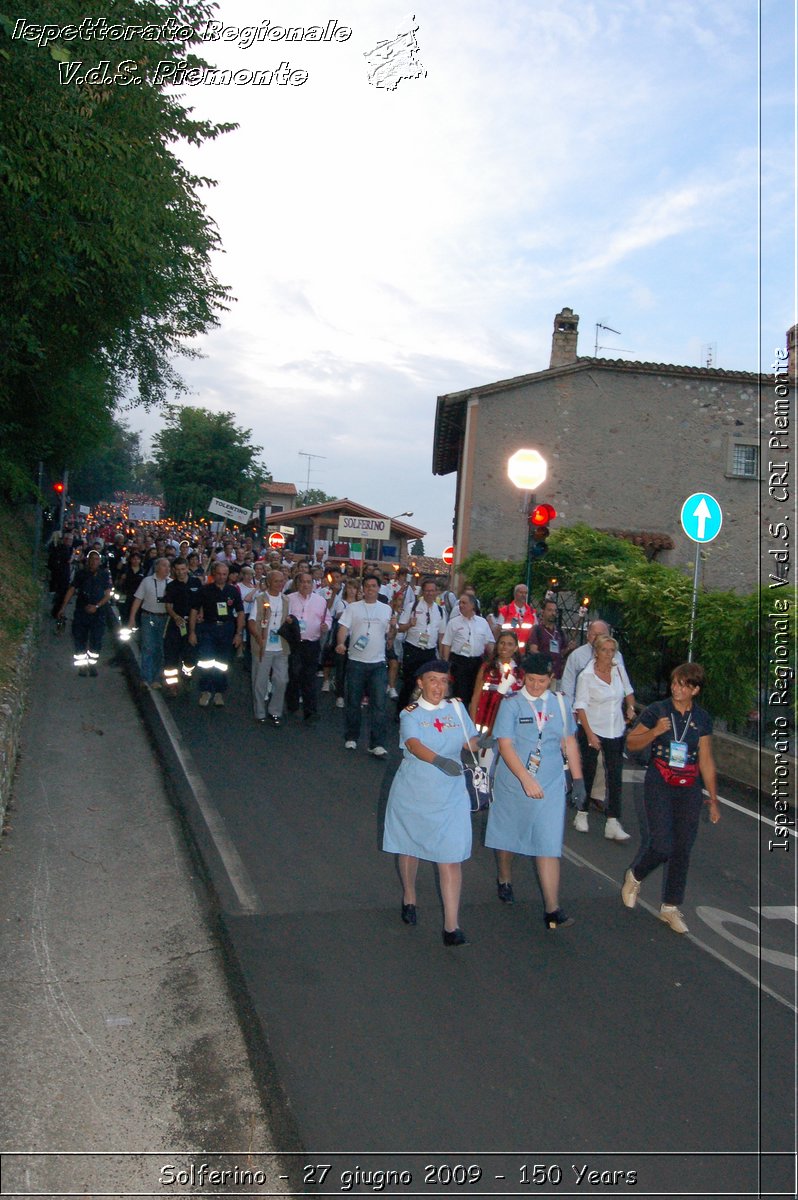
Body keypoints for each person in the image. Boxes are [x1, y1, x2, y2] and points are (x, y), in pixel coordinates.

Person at [382, 659, 479, 946]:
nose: (439, 686)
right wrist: (438, 761)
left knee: (450, 858)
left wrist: (484, 742)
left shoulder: (457, 708)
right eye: (433, 680)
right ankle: (409, 895)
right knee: (410, 848)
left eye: (443, 680)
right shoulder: (410, 714)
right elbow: (413, 745)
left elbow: (468, 741)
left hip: (450, 794)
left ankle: (452, 926)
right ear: (421, 683)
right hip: (415, 791)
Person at [485, 652, 586, 925]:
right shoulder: (512, 705)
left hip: (550, 782)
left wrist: (577, 780)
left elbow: (569, 742)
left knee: (548, 842)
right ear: (523, 678)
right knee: (508, 834)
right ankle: (504, 876)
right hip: (514, 781)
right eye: (530, 679)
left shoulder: (561, 705)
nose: (536, 685)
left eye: (541, 680)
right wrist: (525, 779)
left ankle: (552, 908)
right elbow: (505, 746)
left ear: (551, 679)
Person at [621, 662, 720, 934]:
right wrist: (654, 732)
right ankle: (636, 875)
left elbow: (707, 760)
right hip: (660, 780)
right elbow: (631, 742)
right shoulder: (658, 710)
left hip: (689, 784)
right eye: (675, 683)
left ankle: (671, 907)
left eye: (683, 685)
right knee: (662, 844)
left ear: (695, 689)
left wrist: (713, 798)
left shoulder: (702, 719)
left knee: (683, 847)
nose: (676, 688)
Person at [573, 634, 636, 840]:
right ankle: (582, 813)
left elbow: (628, 690)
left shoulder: (618, 669)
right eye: (604, 650)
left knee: (615, 775)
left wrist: (631, 707)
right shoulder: (586, 676)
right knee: (589, 771)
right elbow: (580, 706)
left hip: (615, 729)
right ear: (596, 652)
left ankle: (613, 821)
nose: (608, 654)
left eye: (612, 650)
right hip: (592, 727)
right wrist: (590, 735)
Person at [336, 572, 395, 756]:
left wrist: (393, 627)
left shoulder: (386, 609)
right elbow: (343, 628)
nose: (370, 589)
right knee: (353, 703)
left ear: (379, 588)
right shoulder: (353, 608)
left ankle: (376, 743)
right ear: (363, 588)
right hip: (356, 662)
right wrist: (340, 643)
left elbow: (389, 637)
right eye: (367, 586)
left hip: (377, 663)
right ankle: (352, 737)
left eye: (374, 586)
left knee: (379, 705)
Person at [188, 561, 245, 707]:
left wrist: (238, 633)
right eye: (219, 574)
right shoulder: (204, 590)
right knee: (206, 660)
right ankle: (206, 690)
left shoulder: (233, 591)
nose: (221, 577)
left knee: (222, 662)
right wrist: (192, 632)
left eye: (224, 574)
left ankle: (219, 692)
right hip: (208, 628)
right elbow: (194, 611)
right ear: (214, 574)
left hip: (226, 629)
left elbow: (240, 612)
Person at [57, 549, 113, 676]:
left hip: (98, 613)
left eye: (96, 559)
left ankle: (92, 665)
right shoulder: (81, 574)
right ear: (88, 560)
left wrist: (97, 606)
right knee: (79, 638)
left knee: (96, 640)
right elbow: (72, 590)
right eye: (92, 559)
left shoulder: (104, 575)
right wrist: (63, 607)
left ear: (100, 561)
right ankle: (82, 666)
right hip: (82, 612)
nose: (94, 561)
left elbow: (108, 594)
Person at [396, 576, 447, 711]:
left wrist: (442, 655)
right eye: (427, 591)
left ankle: (421, 711)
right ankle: (401, 711)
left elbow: (441, 634)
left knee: (428, 684)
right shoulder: (412, 606)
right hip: (413, 649)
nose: (430, 593)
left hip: (429, 652)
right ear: (423, 592)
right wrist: (409, 624)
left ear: (437, 592)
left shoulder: (440, 610)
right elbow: (400, 627)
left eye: (432, 591)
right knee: (409, 682)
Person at [285, 571, 330, 721]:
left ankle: (310, 711)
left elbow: (327, 618)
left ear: (313, 584)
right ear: (297, 583)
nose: (305, 585)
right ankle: (292, 704)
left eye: (308, 582)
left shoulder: (320, 601)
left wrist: (326, 626)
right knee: (294, 674)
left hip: (312, 643)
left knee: (309, 677)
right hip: (294, 644)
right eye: (302, 582)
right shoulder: (289, 599)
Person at [248, 569, 290, 726]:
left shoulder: (286, 600)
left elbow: (288, 619)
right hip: (263, 647)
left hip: (281, 647)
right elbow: (252, 621)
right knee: (260, 682)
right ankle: (259, 712)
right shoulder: (260, 599)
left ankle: (275, 711)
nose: (280, 584)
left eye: (282, 581)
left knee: (281, 680)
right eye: (276, 581)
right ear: (269, 583)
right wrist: (258, 637)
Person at [561, 619, 629, 709]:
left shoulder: (616, 655)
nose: (597, 638)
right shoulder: (576, 656)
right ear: (588, 635)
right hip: (584, 709)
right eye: (594, 634)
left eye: (601, 634)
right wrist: (571, 709)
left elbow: (623, 683)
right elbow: (568, 684)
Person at [468, 631, 525, 737]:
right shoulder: (487, 667)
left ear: (516, 648)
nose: (505, 647)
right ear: (497, 645)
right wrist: (472, 724)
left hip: (511, 723)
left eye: (510, 644)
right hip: (487, 721)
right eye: (502, 643)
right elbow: (475, 697)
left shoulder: (520, 672)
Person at [441, 592, 495, 702]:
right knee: (460, 694)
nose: (461, 605)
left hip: (477, 662)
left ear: (472, 605)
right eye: (460, 602)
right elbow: (446, 644)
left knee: (475, 693)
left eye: (464, 603)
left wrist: (492, 661)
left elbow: (489, 643)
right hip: (459, 662)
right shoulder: (454, 622)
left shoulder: (482, 622)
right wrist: (446, 666)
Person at [128, 557, 171, 689]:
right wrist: (132, 618)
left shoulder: (171, 583)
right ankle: (145, 678)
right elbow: (138, 600)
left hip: (165, 618)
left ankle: (156, 678)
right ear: (157, 567)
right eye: (164, 566)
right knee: (147, 647)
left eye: (168, 566)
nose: (167, 569)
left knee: (160, 648)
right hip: (148, 617)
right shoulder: (146, 581)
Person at [528, 598, 573, 681]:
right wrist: (547, 659)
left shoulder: (559, 631)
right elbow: (533, 650)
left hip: (557, 674)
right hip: (542, 674)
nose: (553, 613)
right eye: (550, 610)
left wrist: (569, 648)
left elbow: (562, 653)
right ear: (543, 612)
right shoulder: (537, 630)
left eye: (555, 611)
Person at [498, 584, 537, 651]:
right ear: (515, 594)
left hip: (526, 650)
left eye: (525, 593)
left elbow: (535, 630)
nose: (523, 595)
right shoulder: (505, 611)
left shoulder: (531, 612)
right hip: (509, 650)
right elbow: (499, 629)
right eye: (521, 592)